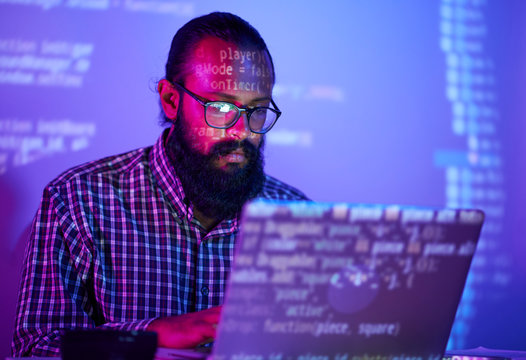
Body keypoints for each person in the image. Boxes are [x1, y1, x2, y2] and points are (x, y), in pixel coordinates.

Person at [12, 12, 308, 357]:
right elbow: (34, 350)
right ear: (171, 100)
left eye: (256, 110)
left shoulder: (298, 219)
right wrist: (154, 335)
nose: (241, 131)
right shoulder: (78, 202)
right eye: (222, 106)